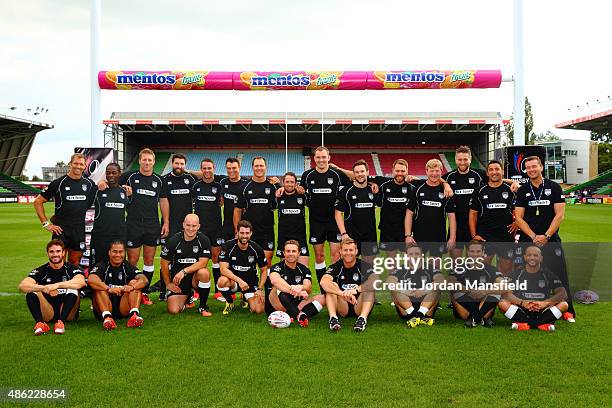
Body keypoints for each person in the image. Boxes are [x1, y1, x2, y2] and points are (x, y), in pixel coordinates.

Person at [514, 155, 575, 321]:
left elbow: (560, 215)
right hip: (529, 240)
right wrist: (534, 236)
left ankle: (567, 309)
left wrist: (547, 236)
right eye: (528, 168)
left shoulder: (554, 187)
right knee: (526, 275)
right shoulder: (523, 190)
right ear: (526, 170)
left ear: (541, 167)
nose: (532, 170)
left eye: (535, 166)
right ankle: (526, 309)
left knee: (560, 273)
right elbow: (518, 218)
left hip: (551, 239)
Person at [117, 148, 170, 305]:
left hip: (152, 225)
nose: (147, 162)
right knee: (132, 260)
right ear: (139, 161)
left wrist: (165, 222)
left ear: (154, 162)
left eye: (150, 160)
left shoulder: (159, 180)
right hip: (133, 224)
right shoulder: (129, 177)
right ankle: (130, 290)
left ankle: (144, 293)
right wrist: (122, 190)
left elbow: (164, 201)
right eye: (144, 160)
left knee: (148, 260)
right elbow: (111, 184)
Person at [445, 146, 519, 255]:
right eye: (460, 159)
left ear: (470, 159)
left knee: (476, 258)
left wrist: (513, 182)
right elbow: (436, 180)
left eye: (465, 159)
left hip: (477, 225)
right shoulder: (449, 177)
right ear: (455, 160)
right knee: (456, 259)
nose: (462, 162)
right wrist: (445, 184)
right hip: (458, 224)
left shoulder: (479, 174)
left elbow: (496, 178)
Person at [298, 146, 351, 293]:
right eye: (318, 157)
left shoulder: (337, 174)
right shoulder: (307, 175)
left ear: (329, 158)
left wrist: (340, 168)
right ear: (314, 159)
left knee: (336, 255)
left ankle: (335, 286)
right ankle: (323, 288)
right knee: (319, 256)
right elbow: (300, 191)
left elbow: (356, 178)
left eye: (323, 157)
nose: (321, 160)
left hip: (334, 222)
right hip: (316, 222)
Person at [34, 153, 97, 266]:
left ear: (85, 166)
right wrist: (46, 224)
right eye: (76, 163)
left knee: (74, 262)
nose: (78, 166)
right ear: (70, 164)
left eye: (81, 164)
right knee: (58, 262)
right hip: (61, 230)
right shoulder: (58, 183)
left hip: (78, 230)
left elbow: (96, 198)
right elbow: (38, 202)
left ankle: (70, 283)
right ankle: (58, 283)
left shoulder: (89, 184)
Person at [18, 240, 86, 335]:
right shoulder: (41, 270)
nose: (55, 254)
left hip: (68, 314)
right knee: (31, 291)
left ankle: (61, 323)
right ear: (47, 254)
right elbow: (22, 286)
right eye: (52, 252)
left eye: (58, 251)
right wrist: (43, 288)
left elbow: (81, 282)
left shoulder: (72, 268)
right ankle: (40, 323)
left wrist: (57, 285)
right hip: (48, 312)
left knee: (74, 288)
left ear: (63, 253)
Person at [498, 245, 569, 331]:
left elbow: (563, 293)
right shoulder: (516, 274)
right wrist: (522, 302)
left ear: (541, 258)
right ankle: (542, 323)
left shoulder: (548, 274)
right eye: (529, 255)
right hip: (522, 309)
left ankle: (525, 324)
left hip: (543, 309)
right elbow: (506, 294)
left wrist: (545, 303)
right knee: (502, 303)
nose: (532, 258)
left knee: (564, 305)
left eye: (536, 255)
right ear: (524, 257)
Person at [157, 153, 197, 300]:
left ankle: (187, 290)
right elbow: (163, 201)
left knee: (185, 259)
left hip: (188, 228)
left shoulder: (190, 179)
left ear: (185, 166)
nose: (179, 166)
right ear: (171, 164)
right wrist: (166, 223)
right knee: (166, 259)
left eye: (182, 164)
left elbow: (205, 174)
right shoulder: (164, 180)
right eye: (176, 163)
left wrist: (190, 171)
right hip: (169, 225)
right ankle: (164, 289)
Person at [468, 160, 518, 275]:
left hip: (506, 236)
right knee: (482, 271)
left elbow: (518, 210)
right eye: (491, 170)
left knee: (505, 272)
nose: (494, 172)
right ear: (487, 173)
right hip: (485, 236)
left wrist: (517, 223)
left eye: (497, 169)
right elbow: (472, 214)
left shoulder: (511, 190)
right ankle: (484, 293)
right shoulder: (479, 191)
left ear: (502, 172)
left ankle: (501, 292)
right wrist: (474, 235)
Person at [88, 241, 148, 330]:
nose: (118, 255)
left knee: (134, 283)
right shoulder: (102, 265)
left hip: (122, 307)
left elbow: (144, 280)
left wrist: (132, 287)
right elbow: (91, 279)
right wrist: (108, 289)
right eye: (115, 251)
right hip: (104, 306)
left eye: (121, 252)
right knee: (99, 288)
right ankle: (107, 318)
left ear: (125, 253)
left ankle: (134, 315)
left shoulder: (127, 265)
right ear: (109, 252)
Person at [160, 214, 212, 316]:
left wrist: (183, 271)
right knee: (173, 310)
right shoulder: (173, 240)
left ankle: (202, 307)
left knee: (204, 272)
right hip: (178, 280)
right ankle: (188, 297)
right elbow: (164, 263)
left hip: (194, 278)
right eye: (188, 225)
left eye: (194, 226)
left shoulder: (204, 240)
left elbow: (203, 262)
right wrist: (168, 284)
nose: (191, 229)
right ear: (183, 225)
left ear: (198, 226)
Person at [320, 239, 376, 332]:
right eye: (345, 250)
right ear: (340, 252)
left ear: (356, 251)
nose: (348, 253)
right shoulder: (336, 266)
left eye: (351, 250)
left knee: (370, 287)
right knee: (331, 286)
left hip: (359, 304)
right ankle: (333, 319)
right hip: (343, 306)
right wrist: (342, 293)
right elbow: (323, 282)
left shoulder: (364, 265)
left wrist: (356, 290)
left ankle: (362, 319)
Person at [405, 159, 457, 257]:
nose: (434, 174)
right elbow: (409, 213)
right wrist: (408, 235)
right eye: (431, 171)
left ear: (441, 171)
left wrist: (452, 237)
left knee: (435, 269)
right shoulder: (418, 188)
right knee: (416, 268)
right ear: (426, 171)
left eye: (437, 171)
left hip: (438, 236)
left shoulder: (447, 191)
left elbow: (451, 216)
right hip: (419, 235)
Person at [234, 156, 279, 268]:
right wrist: (237, 231)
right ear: (252, 168)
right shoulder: (244, 187)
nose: (259, 168)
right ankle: (251, 284)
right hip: (248, 232)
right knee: (248, 260)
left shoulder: (273, 186)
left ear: (266, 167)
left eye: (261, 165)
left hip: (267, 231)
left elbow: (275, 206)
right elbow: (237, 210)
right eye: (256, 166)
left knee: (267, 260)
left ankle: (267, 285)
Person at [268, 240, 325, 327]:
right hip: (278, 305)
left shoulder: (304, 269)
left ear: (299, 253)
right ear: (283, 253)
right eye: (288, 251)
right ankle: (299, 315)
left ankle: (298, 315)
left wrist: (301, 287)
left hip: (297, 304)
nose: (291, 254)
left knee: (323, 297)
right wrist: (293, 290)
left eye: (294, 251)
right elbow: (274, 280)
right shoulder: (277, 267)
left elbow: (308, 287)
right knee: (278, 287)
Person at [448, 241, 504, 328]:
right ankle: (481, 318)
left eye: (478, 251)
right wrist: (469, 290)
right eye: (472, 251)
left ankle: (474, 319)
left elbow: (504, 285)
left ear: (483, 253)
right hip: (466, 303)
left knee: (497, 290)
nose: (475, 254)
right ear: (468, 253)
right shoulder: (459, 268)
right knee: (453, 289)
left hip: (484, 302)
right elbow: (450, 282)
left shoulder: (491, 269)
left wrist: (485, 291)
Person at [217, 220, 268, 315]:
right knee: (222, 281)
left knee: (258, 310)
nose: (244, 236)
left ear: (251, 233)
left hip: (250, 283)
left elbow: (264, 270)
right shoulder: (228, 246)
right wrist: (240, 281)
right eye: (242, 233)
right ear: (237, 233)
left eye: (247, 233)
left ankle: (246, 298)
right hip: (234, 282)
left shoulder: (257, 249)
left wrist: (260, 289)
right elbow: (223, 269)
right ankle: (230, 302)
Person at [191, 158, 224, 302]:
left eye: (209, 168)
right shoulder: (196, 185)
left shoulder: (219, 184)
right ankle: (196, 290)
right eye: (204, 168)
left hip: (216, 227)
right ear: (201, 169)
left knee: (216, 259)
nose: (207, 171)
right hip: (199, 229)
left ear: (214, 168)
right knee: (198, 259)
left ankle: (218, 290)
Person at [388, 245, 443, 328]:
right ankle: (416, 316)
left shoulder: (430, 267)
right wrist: (406, 291)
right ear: (406, 256)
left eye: (417, 254)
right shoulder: (400, 269)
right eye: (411, 254)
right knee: (394, 290)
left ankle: (417, 316)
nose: (414, 256)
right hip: (407, 307)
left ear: (422, 255)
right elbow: (390, 281)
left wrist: (423, 291)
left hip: (426, 306)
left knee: (437, 289)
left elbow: (440, 279)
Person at [334, 159, 379, 257]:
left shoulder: (373, 189)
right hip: (351, 236)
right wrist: (344, 234)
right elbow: (338, 214)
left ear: (367, 172)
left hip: (370, 236)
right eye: (357, 172)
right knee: (350, 267)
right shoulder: (346, 191)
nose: (360, 174)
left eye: (362, 171)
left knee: (369, 268)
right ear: (353, 174)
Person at [90, 163, 130, 266]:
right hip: (100, 236)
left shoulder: (124, 192)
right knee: (97, 266)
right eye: (108, 173)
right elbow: (81, 206)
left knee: (117, 265)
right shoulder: (98, 190)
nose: (111, 175)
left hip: (119, 236)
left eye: (114, 173)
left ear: (119, 174)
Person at [275, 172, 309, 265]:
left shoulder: (302, 195)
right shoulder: (278, 196)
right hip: (283, 238)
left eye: (292, 182)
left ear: (295, 183)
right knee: (284, 271)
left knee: (304, 270)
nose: (289, 184)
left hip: (300, 238)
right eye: (287, 182)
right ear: (283, 183)